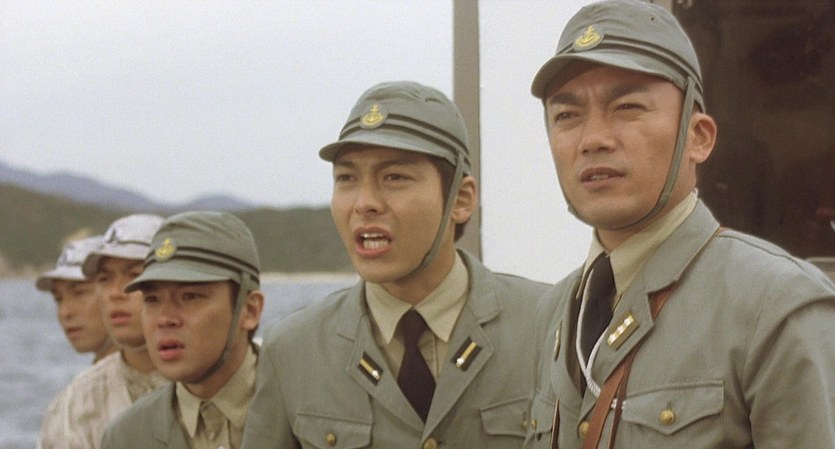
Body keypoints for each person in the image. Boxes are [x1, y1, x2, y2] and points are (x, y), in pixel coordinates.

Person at [524, 1, 835, 448]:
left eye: (627, 107)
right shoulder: (553, 313)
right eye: (566, 116)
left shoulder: (775, 305)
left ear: (698, 137)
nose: (593, 139)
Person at [242, 81, 550, 448]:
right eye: (346, 178)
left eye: (394, 177)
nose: (364, 203)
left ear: (461, 199)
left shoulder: (548, 326)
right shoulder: (294, 350)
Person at [100, 211, 265, 449]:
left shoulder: (305, 410)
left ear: (249, 310)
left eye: (190, 296)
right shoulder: (126, 438)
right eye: (152, 299)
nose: (165, 319)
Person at [51, 214, 168, 449]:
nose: (116, 292)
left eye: (135, 275)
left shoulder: (216, 381)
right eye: (104, 278)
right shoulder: (76, 403)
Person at [36, 235, 117, 449]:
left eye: (79, 293)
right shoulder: (67, 409)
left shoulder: (186, 384)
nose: (65, 312)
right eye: (58, 298)